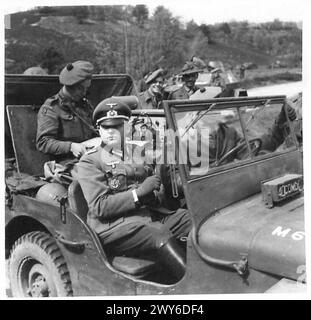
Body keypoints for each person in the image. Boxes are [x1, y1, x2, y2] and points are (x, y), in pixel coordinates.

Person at [77, 96, 191, 271]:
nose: (110, 131)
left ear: (126, 127)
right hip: (114, 227)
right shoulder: (90, 161)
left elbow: (155, 174)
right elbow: (99, 207)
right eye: (105, 127)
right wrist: (138, 194)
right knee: (157, 233)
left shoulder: (137, 152)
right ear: (98, 130)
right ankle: (189, 284)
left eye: (117, 126)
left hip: (148, 215)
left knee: (189, 219)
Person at [36, 61, 99, 163]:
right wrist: (70, 147)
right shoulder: (52, 108)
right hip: (67, 162)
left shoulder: (84, 104)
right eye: (80, 89)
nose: (84, 93)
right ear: (69, 86)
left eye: (86, 89)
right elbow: (43, 142)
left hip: (90, 156)